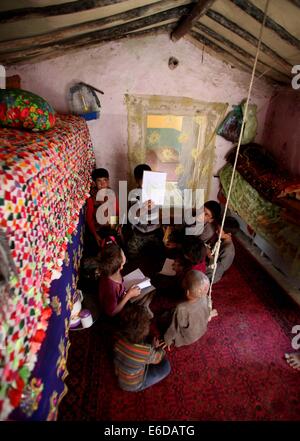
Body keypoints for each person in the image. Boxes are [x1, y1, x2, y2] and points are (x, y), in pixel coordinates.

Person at [114, 304, 171, 391]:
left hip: (121, 379)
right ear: (145, 330)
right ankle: (141, 385)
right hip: (134, 385)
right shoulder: (146, 351)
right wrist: (156, 347)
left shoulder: (117, 340)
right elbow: (159, 357)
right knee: (166, 366)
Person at [98, 242, 154, 318]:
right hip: (118, 309)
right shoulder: (111, 289)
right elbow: (112, 313)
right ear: (120, 267)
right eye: (123, 253)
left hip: (121, 295)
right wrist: (128, 296)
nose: (124, 253)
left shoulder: (110, 271)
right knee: (145, 299)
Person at [163, 270, 216, 349]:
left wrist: (167, 340)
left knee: (166, 318)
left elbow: (173, 328)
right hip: (201, 330)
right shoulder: (205, 297)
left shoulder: (181, 308)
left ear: (187, 292)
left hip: (188, 338)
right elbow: (207, 310)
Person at [126, 164, 164, 261]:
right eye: (144, 180)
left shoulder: (156, 191)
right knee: (131, 253)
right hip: (139, 232)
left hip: (155, 232)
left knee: (160, 255)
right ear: (137, 180)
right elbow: (134, 215)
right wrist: (145, 207)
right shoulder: (134, 194)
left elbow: (160, 210)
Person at [86, 168, 120, 254]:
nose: (102, 183)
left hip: (110, 226)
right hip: (98, 230)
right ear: (94, 183)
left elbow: (116, 211)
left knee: (117, 244)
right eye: (99, 181)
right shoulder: (91, 199)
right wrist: (95, 235)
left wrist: (117, 226)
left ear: (108, 181)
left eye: (105, 180)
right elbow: (89, 219)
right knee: (99, 248)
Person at [206, 216, 239, 284]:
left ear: (228, 234)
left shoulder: (228, 251)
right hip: (208, 261)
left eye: (219, 230)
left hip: (213, 274)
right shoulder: (220, 238)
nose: (216, 231)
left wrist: (210, 256)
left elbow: (220, 268)